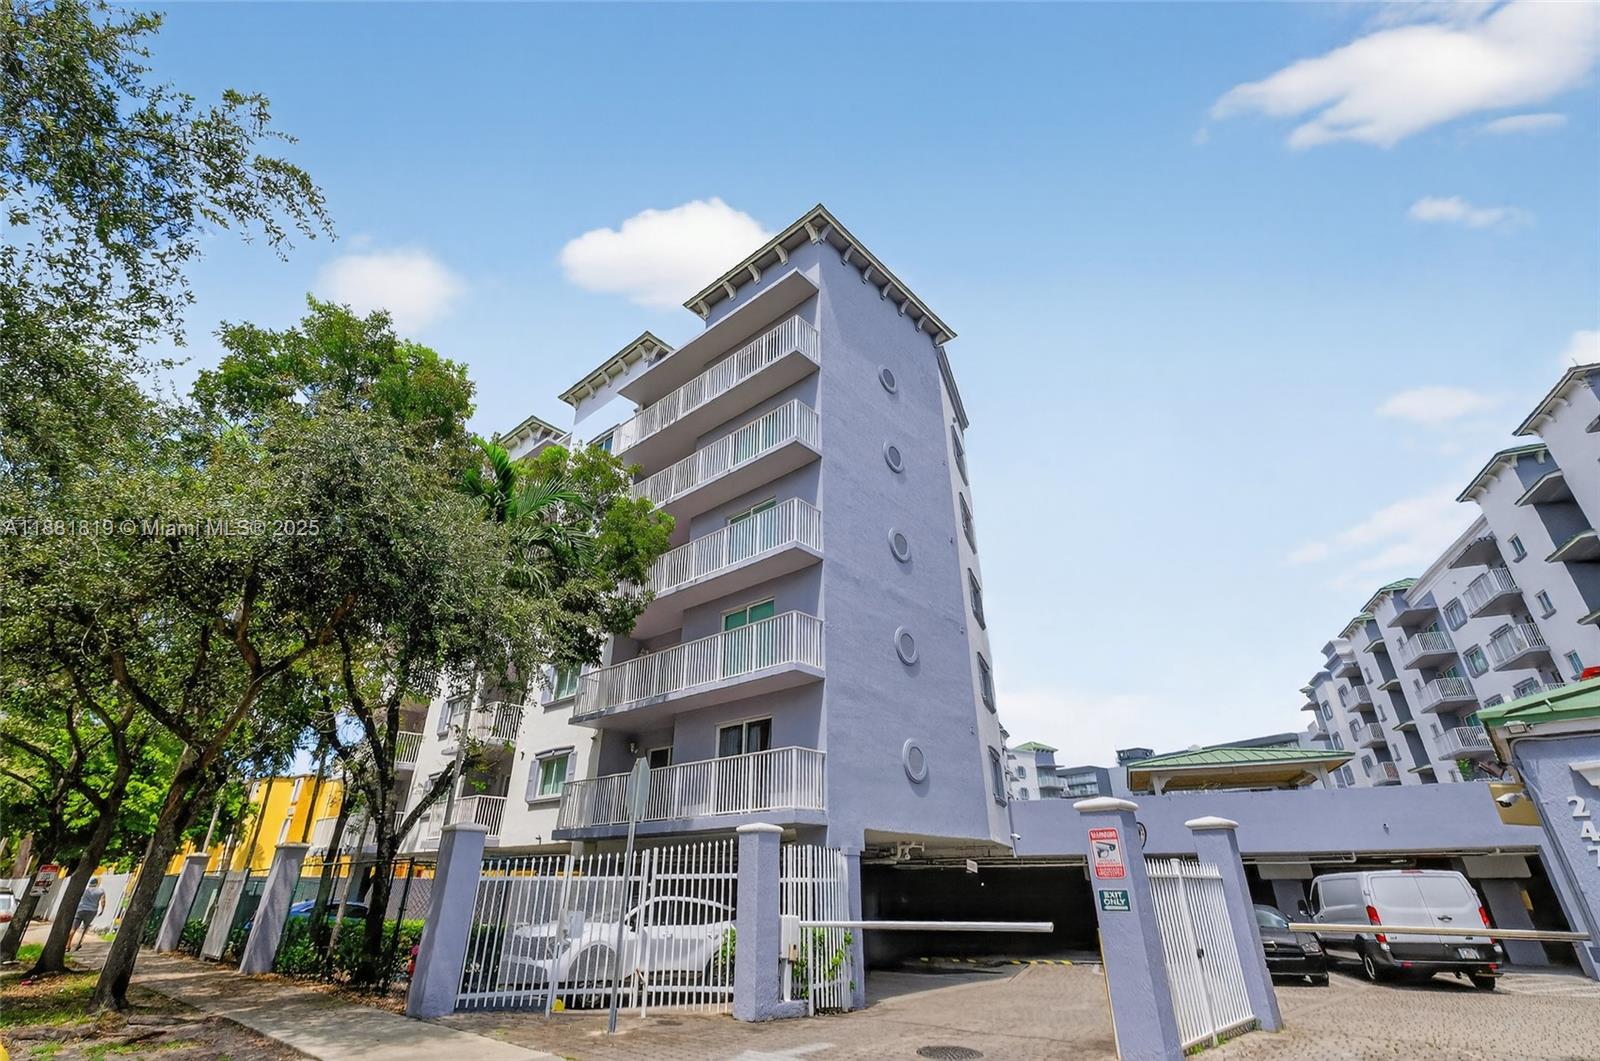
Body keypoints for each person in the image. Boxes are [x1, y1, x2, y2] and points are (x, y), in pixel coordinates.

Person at [72, 876, 106, 950]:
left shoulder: (85, 890)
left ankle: (67, 945)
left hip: (80, 909)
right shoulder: (101, 891)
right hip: (92, 911)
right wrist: (102, 910)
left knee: (74, 928)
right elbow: (102, 901)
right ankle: (79, 943)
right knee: (85, 927)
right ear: (97, 883)